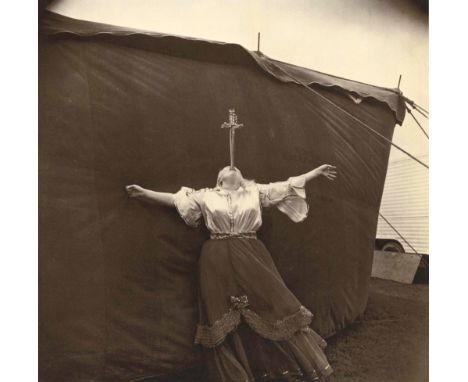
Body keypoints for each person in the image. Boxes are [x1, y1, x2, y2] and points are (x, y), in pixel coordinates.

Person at [125, 164, 338, 382]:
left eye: (235, 167)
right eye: (227, 167)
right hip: (216, 259)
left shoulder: (255, 192)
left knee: (270, 305)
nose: (231, 167)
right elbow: (174, 199)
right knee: (222, 312)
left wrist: (316, 172)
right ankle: (236, 373)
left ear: (241, 177)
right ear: (220, 178)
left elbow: (289, 185)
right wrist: (144, 193)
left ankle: (281, 365)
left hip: (251, 256)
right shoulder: (205, 196)